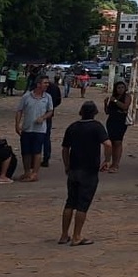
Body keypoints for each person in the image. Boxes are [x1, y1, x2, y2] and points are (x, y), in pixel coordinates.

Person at [59, 101, 111, 246]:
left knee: (70, 202)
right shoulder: (97, 127)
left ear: (80, 112)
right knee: (83, 204)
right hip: (89, 170)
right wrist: (107, 160)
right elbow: (108, 144)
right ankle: (77, 236)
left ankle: (64, 235)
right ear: (95, 112)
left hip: (74, 169)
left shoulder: (73, 127)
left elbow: (65, 149)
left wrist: (67, 165)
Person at [14, 74, 54, 182]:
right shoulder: (27, 96)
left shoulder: (48, 97)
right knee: (25, 151)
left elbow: (50, 111)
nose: (47, 84)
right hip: (27, 128)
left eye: (47, 83)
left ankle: (35, 173)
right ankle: (27, 172)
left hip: (40, 129)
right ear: (38, 84)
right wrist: (17, 124)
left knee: (37, 151)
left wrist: (43, 117)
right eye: (45, 83)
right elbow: (19, 110)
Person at [101, 82, 131, 174]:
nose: (120, 89)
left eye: (122, 87)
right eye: (118, 87)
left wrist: (115, 101)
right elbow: (107, 111)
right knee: (110, 142)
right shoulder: (113, 97)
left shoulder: (127, 96)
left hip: (121, 121)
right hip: (111, 121)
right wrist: (106, 104)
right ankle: (107, 162)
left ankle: (115, 164)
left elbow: (125, 106)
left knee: (118, 142)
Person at [42, 73, 63, 168]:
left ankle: (36, 157)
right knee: (46, 137)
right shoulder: (55, 87)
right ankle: (46, 158)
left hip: (39, 114)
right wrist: (52, 107)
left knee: (37, 137)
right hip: (50, 113)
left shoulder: (39, 88)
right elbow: (59, 100)